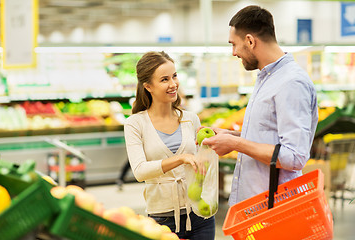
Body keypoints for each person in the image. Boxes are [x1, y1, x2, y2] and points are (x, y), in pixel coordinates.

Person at [201, 5, 318, 206]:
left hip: (276, 208)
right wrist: (230, 136)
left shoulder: (291, 83)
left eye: (234, 45)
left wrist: (236, 144)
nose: (234, 53)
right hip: (255, 205)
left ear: (250, 41)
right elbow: (269, 137)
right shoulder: (267, 77)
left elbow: (294, 157)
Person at [124, 51, 215, 239]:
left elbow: (201, 163)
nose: (173, 84)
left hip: (200, 214)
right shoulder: (135, 123)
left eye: (174, 76)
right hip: (162, 218)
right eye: (164, 79)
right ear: (148, 86)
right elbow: (140, 171)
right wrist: (180, 158)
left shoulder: (190, 119)